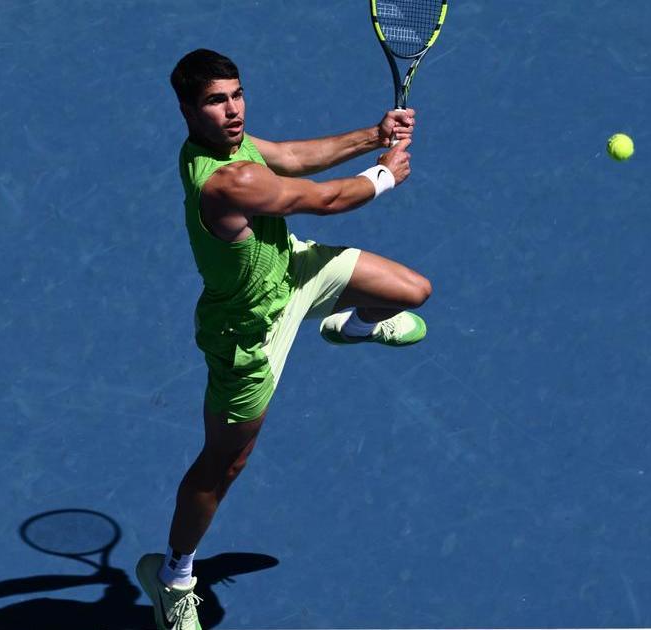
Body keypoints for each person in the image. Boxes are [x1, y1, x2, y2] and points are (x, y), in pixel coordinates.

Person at [135, 48, 432, 630]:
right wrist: (383, 174)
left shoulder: (233, 146)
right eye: (215, 102)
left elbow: (292, 157)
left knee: (412, 291)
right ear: (188, 111)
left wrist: (373, 135)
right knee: (226, 463)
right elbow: (321, 200)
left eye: (237, 95)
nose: (233, 110)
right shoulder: (227, 180)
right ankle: (171, 575)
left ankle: (351, 324)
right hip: (247, 331)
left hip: (292, 269)